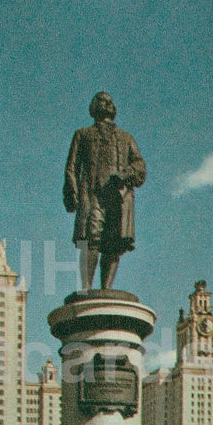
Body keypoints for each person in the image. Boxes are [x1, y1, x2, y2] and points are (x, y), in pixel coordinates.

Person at [63, 92, 146, 290]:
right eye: (101, 100)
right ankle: (87, 288)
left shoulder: (126, 138)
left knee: (114, 242)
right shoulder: (83, 134)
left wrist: (125, 174)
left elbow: (140, 165)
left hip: (118, 196)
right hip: (92, 194)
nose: (106, 103)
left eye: (109, 101)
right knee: (91, 239)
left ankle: (106, 290)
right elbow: (72, 166)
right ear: (93, 108)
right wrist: (72, 192)